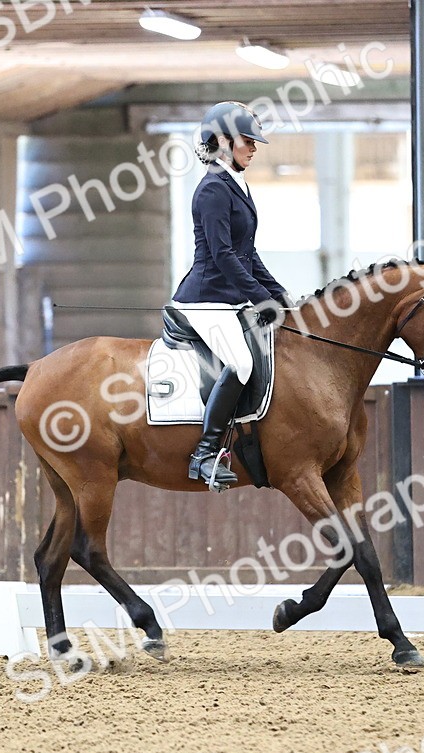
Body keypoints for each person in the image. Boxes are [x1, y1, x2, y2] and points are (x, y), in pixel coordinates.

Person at [171, 101, 290, 488]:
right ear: (223, 142)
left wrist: (279, 293)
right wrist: (260, 299)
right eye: (247, 142)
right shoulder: (211, 191)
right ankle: (204, 455)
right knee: (240, 363)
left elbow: (247, 253)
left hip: (229, 299)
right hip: (204, 300)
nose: (253, 149)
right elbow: (222, 256)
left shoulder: (236, 185)